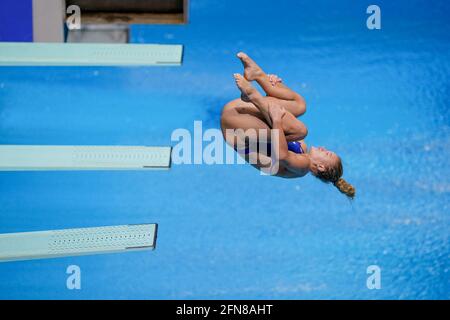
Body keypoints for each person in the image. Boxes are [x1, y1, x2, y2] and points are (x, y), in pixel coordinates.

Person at [220, 52, 355, 198]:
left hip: (235, 127)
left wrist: (277, 120)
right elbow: (279, 121)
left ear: (321, 167)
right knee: (300, 106)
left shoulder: (302, 167)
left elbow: (282, 155)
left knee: (301, 130)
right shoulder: (302, 148)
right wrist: (276, 84)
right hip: (242, 117)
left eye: (327, 153)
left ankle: (253, 95)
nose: (324, 148)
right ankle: (258, 75)